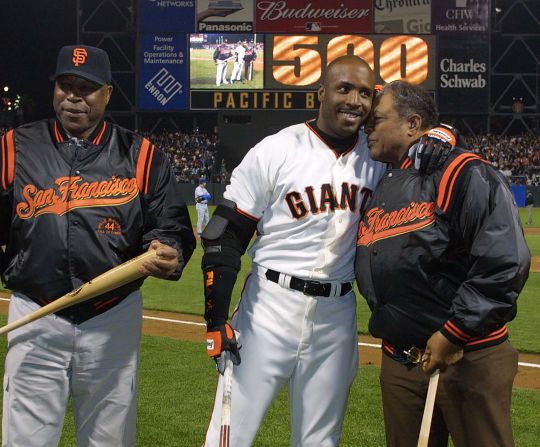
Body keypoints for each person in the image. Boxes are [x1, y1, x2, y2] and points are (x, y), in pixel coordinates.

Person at [0, 44, 196, 447]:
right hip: (36, 314)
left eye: (88, 88)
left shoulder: (141, 155)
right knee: (26, 439)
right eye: (66, 85)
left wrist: (165, 248)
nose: (74, 96)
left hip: (111, 317)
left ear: (108, 93)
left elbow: (170, 223)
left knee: (109, 439)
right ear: (54, 88)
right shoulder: (14, 148)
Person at [200, 55, 385, 447]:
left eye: (365, 93)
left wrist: (442, 136)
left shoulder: (378, 157)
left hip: (336, 311)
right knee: (229, 434)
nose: (355, 100)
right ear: (321, 93)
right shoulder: (278, 148)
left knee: (321, 440)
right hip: (268, 306)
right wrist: (215, 317)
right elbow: (225, 235)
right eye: (344, 88)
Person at [356, 80, 530, 447]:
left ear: (413, 124)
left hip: (467, 357)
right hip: (401, 360)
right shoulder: (382, 180)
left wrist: (454, 332)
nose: (366, 127)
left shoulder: (462, 171)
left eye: (377, 119)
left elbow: (504, 261)